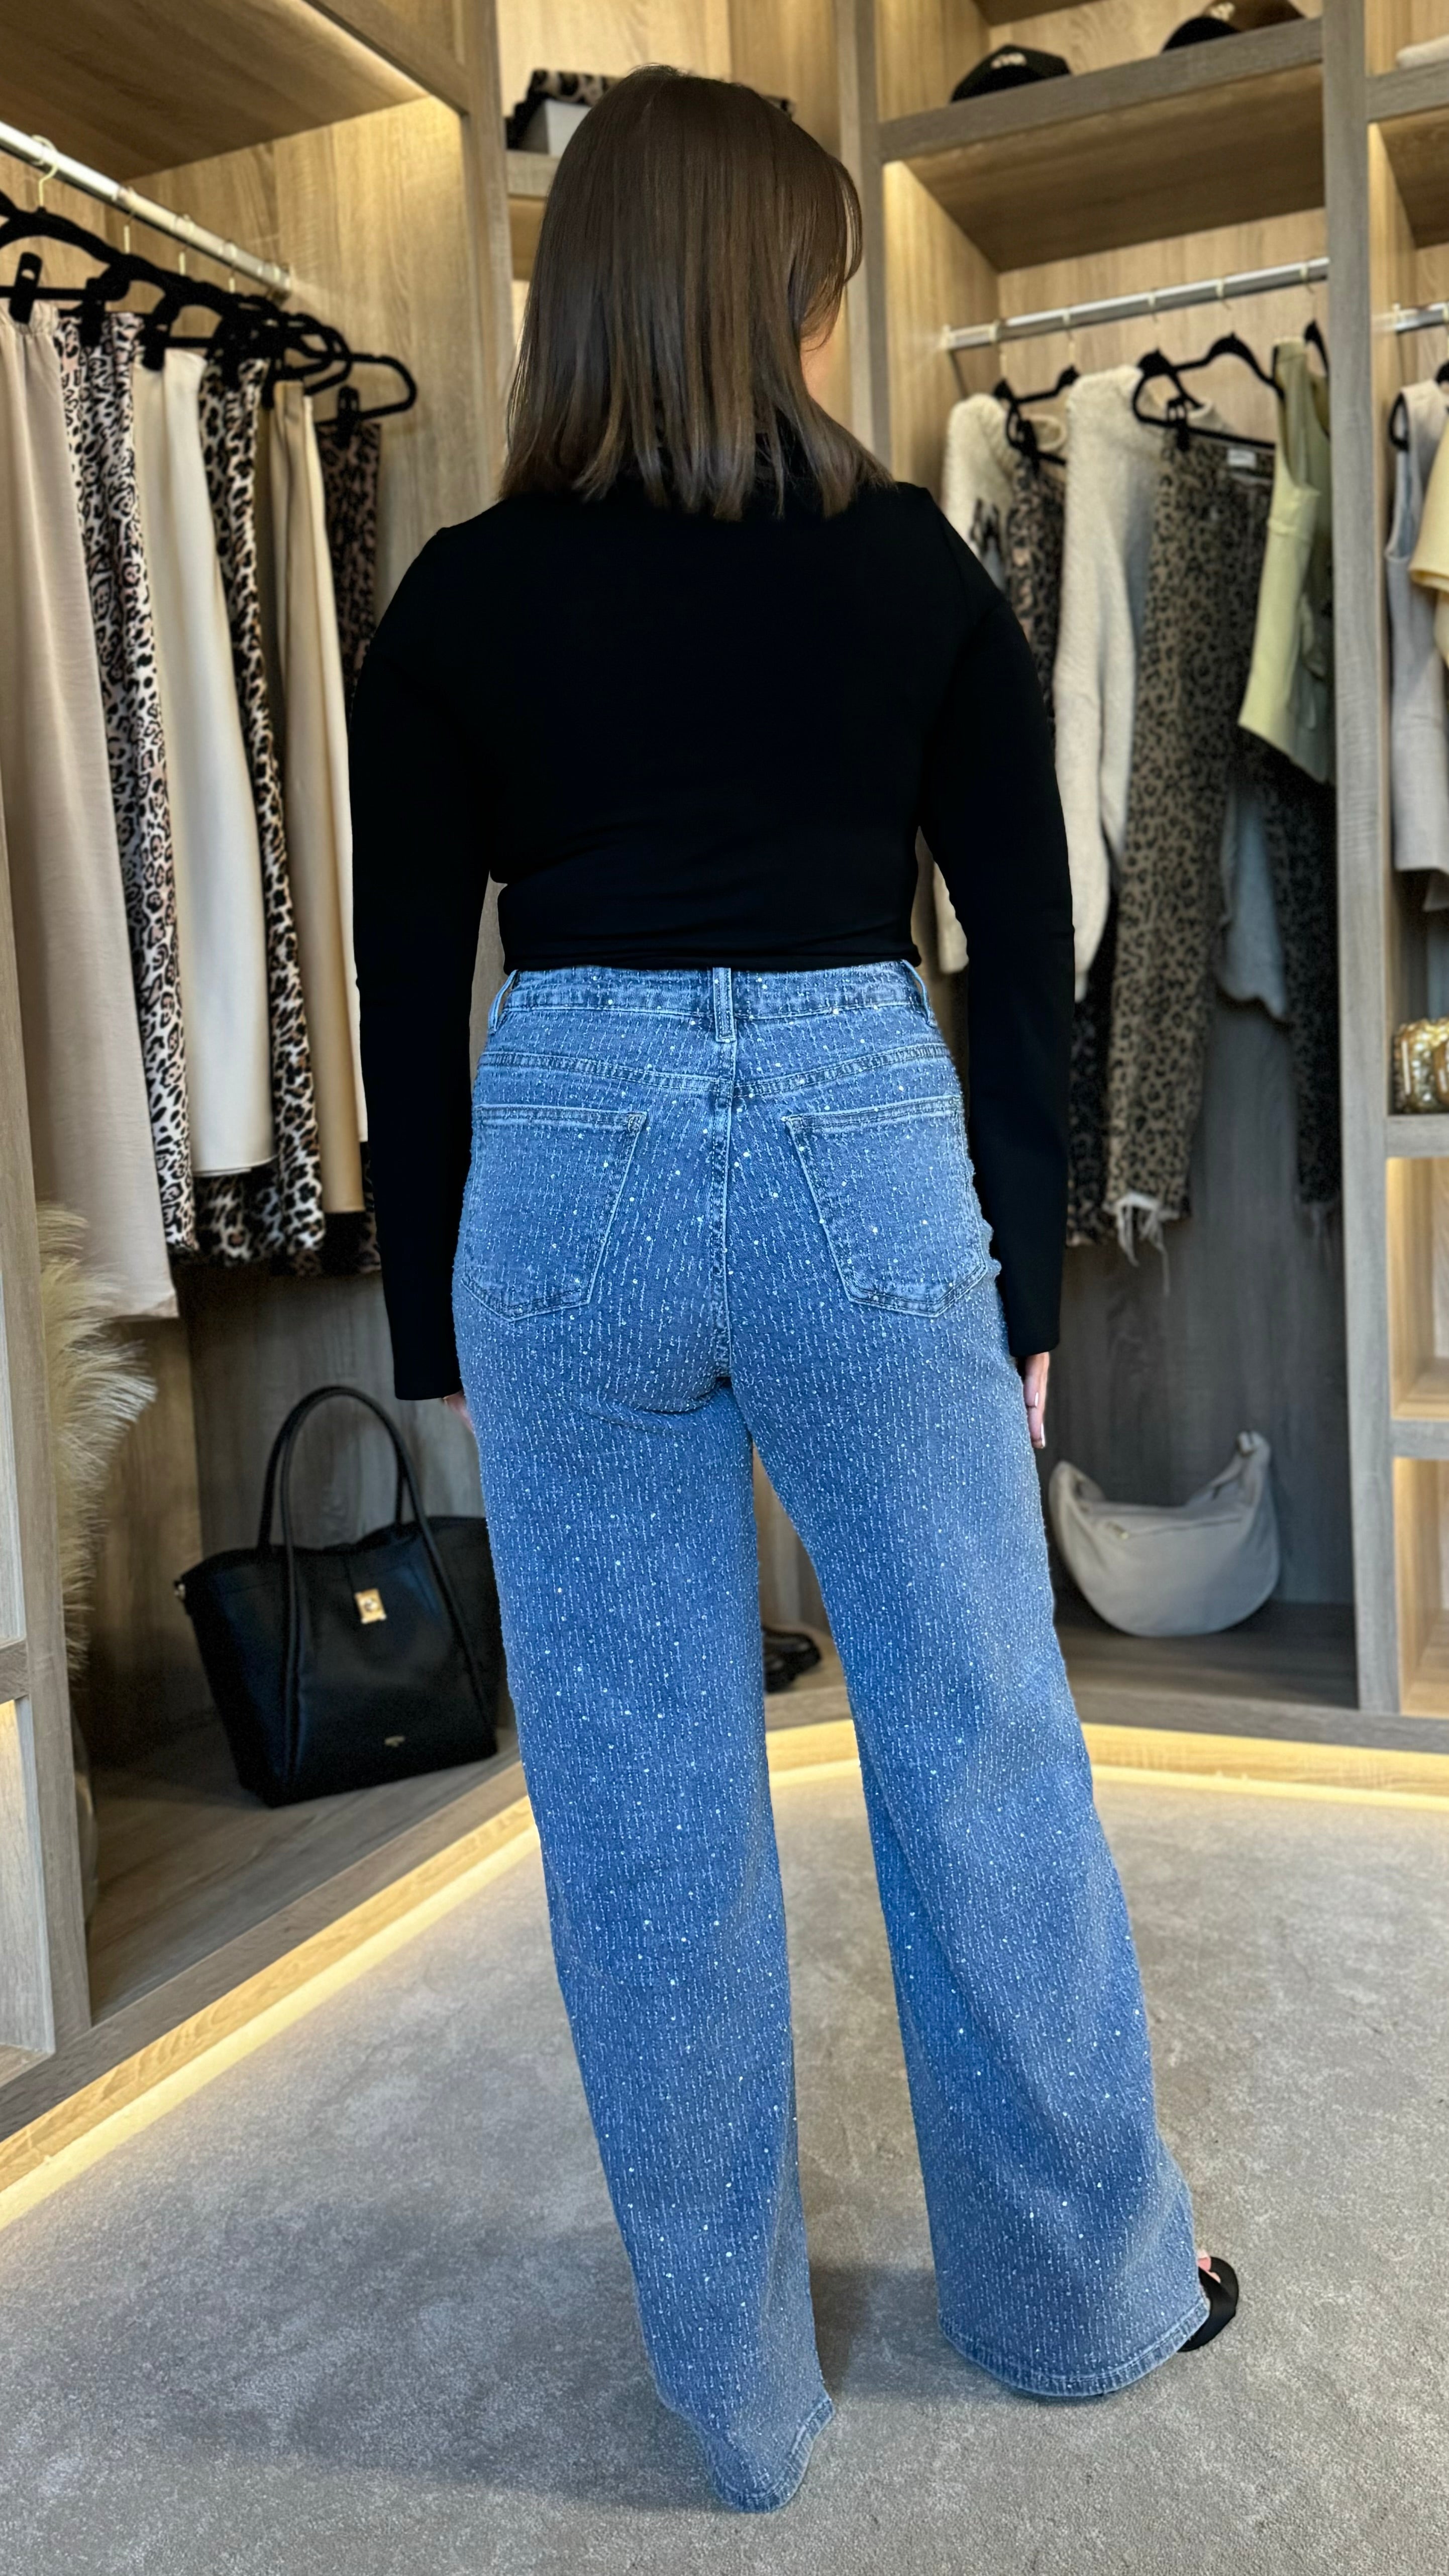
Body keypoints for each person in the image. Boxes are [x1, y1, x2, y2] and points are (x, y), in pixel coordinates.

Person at [349, 64, 1235, 2515]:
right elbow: (1027, 944)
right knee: (978, 1736)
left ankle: (735, 2400)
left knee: (638, 1797)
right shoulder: (912, 569)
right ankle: (1080, 2301)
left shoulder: (460, 597)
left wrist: (435, 1338)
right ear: (772, 296)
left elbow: (407, 979)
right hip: (859, 1143)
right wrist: (1021, 1272)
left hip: (569, 1165)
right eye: (823, 288)